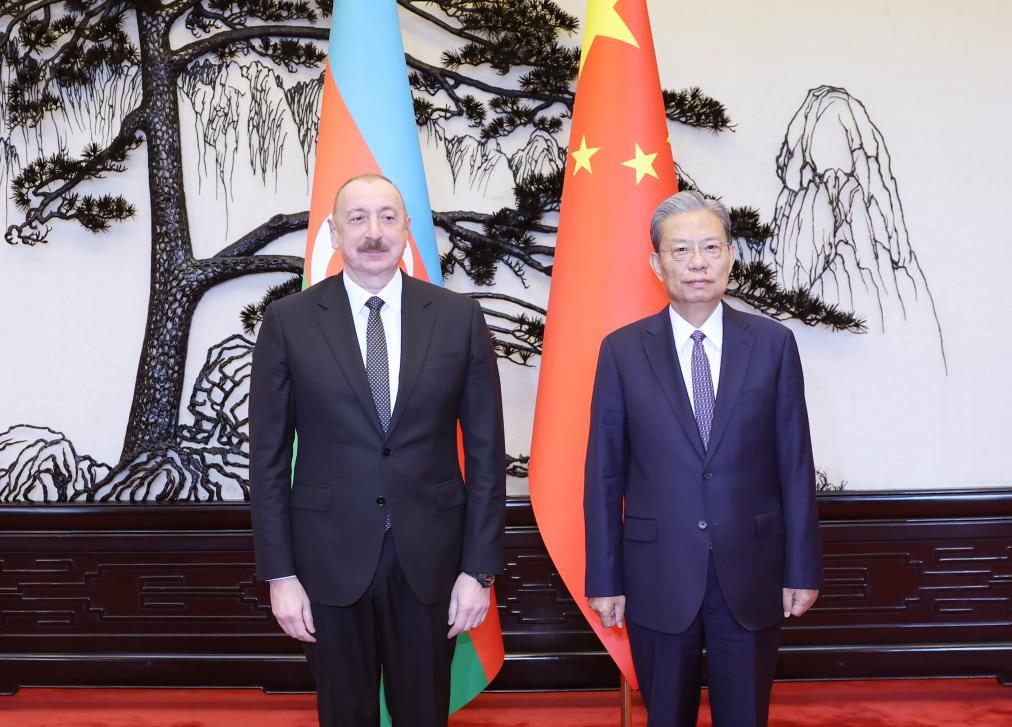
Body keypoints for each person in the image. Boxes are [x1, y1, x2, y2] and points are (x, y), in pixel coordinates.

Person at [250, 173, 506, 727]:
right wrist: (280, 576)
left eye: (388, 217)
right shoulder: (288, 322)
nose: (374, 232)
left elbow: (488, 455)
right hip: (326, 564)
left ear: (407, 228)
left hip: (433, 564)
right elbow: (266, 460)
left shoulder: (459, 318)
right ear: (333, 231)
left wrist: (479, 571)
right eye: (358, 218)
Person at [583, 190, 822, 726]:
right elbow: (603, 474)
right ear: (656, 263)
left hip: (753, 571)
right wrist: (604, 577)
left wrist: (802, 568)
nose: (697, 262)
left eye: (711, 248)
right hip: (657, 573)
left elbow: (795, 464)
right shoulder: (622, 351)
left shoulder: (773, 344)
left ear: (731, 256)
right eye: (681, 250)